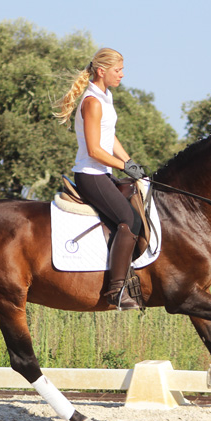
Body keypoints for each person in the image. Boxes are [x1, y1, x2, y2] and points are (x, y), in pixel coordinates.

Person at [53, 48, 145, 311]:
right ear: (102, 71)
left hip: (104, 172)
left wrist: (131, 164)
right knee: (129, 219)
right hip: (90, 175)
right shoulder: (92, 102)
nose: (122, 75)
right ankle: (116, 289)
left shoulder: (106, 96)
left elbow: (109, 137)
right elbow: (94, 150)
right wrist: (124, 166)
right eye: (118, 70)